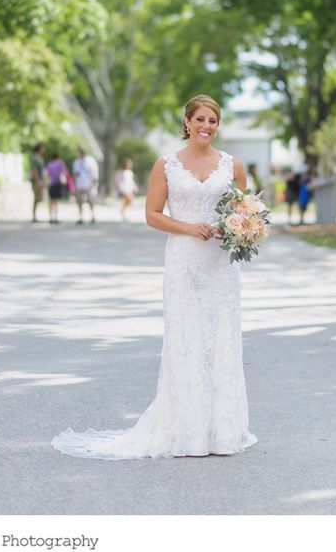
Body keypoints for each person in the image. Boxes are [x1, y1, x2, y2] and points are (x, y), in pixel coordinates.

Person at [53, 94, 257, 459]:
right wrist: (188, 227)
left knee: (221, 338)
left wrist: (238, 229)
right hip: (183, 260)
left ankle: (221, 431)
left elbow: (245, 210)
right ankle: (186, 431)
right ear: (186, 122)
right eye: (200, 119)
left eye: (213, 120)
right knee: (187, 338)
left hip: (219, 266)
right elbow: (151, 213)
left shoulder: (232, 165)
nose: (206, 126)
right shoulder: (166, 165)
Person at [72, 147, 98, 224]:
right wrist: (74, 184)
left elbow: (94, 172)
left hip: (88, 184)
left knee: (90, 200)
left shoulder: (90, 161)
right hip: (79, 184)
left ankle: (92, 215)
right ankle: (80, 217)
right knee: (79, 201)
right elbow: (75, 173)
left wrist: (93, 183)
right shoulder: (76, 162)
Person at [45, 152, 69, 224]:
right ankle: (56, 217)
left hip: (51, 184)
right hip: (57, 184)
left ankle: (51, 217)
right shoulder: (60, 163)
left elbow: (46, 174)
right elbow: (65, 172)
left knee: (51, 201)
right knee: (56, 202)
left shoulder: (49, 164)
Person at [114, 157, 138, 221]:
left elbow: (131, 181)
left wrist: (135, 187)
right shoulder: (120, 172)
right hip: (123, 189)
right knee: (128, 199)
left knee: (128, 201)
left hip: (129, 189)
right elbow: (118, 181)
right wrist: (120, 189)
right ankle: (123, 212)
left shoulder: (130, 172)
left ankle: (123, 211)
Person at [29, 143, 46, 223]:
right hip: (36, 181)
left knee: (39, 199)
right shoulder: (35, 158)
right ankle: (34, 217)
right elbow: (34, 170)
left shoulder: (40, 158)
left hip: (39, 180)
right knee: (36, 198)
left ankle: (35, 216)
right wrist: (38, 180)